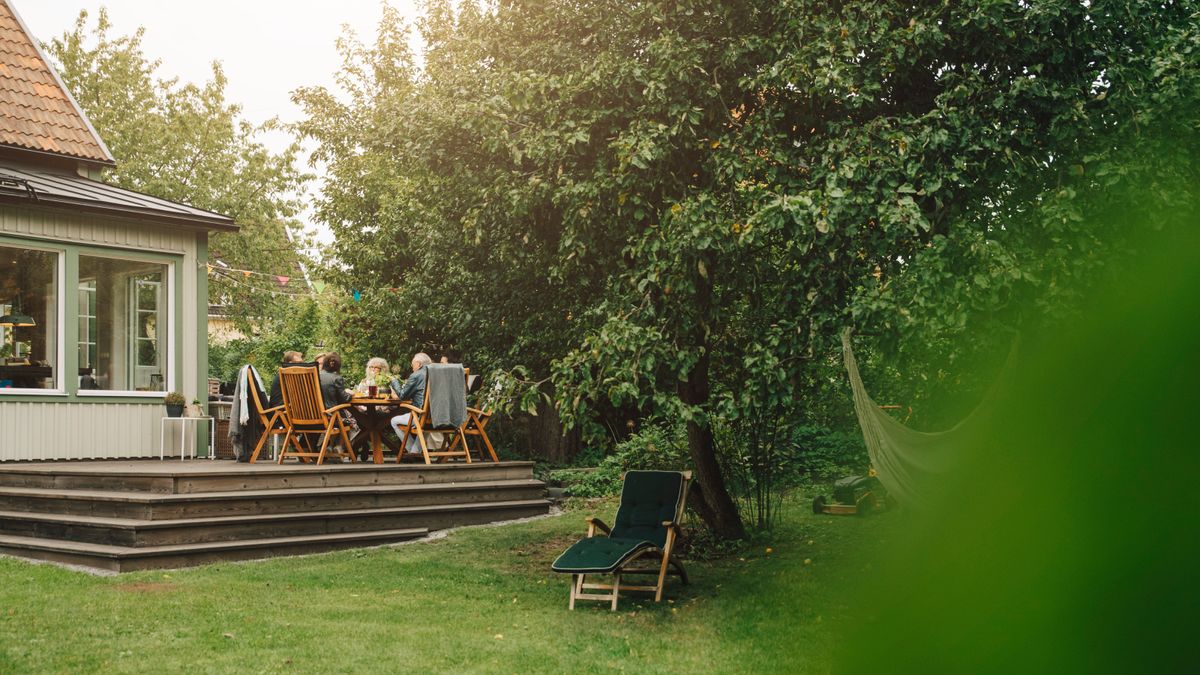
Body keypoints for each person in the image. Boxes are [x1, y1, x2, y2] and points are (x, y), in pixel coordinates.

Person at [390, 352, 432, 455]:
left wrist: (394, 381)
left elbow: (402, 396)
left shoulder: (416, 375)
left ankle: (412, 451)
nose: (412, 367)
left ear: (418, 364)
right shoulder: (437, 374)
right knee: (427, 422)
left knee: (394, 421)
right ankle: (415, 451)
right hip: (440, 416)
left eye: (412, 364)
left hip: (420, 415)